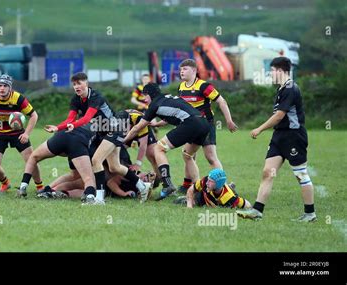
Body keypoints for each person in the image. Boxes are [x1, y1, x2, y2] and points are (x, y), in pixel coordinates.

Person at [44, 72, 150, 205]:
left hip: (115, 129)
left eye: (79, 83)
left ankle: (99, 199)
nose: (77, 86)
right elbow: (70, 118)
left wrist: (72, 125)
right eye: (74, 84)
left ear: (86, 83)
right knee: (115, 167)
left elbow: (87, 118)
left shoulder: (95, 97)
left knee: (96, 160)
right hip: (103, 133)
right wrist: (57, 128)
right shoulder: (76, 99)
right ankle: (142, 186)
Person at [236, 57, 317, 222]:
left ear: (280, 70)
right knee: (267, 173)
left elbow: (279, 116)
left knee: (300, 175)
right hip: (279, 137)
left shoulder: (290, 88)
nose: (270, 74)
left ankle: (310, 214)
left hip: (294, 137)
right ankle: (257, 211)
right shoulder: (281, 88)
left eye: (272, 70)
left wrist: (259, 129)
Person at [123, 83, 210, 201]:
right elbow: (173, 114)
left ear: (150, 94)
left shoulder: (154, 105)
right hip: (203, 124)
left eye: (145, 96)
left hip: (190, 124)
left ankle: (167, 184)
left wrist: (123, 140)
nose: (144, 99)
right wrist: (157, 124)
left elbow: (137, 128)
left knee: (159, 148)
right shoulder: (167, 98)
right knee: (187, 155)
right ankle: (198, 192)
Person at [0, 74, 42, 193]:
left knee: (31, 160)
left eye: (5, 86)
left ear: (10, 88)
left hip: (17, 134)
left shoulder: (18, 98)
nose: (2, 88)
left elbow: (34, 115)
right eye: (0, 85)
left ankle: (40, 187)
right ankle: (5, 183)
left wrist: (26, 134)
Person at [177, 59, 238, 194]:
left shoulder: (204, 86)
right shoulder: (181, 87)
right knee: (188, 154)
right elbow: (180, 108)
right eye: (180, 69)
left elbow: (221, 101)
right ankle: (188, 185)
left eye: (185, 69)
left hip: (206, 125)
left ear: (194, 70)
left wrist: (228, 120)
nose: (181, 71)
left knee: (210, 157)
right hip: (190, 127)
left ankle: (224, 187)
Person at [16, 122, 96, 201]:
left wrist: (58, 127)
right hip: (78, 143)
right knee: (89, 180)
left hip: (62, 135)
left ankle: (32, 187)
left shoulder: (87, 118)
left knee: (34, 157)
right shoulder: (101, 128)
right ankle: (62, 193)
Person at [174, 168, 251, 209]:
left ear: (218, 184)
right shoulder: (205, 180)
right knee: (177, 201)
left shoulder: (229, 197)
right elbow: (191, 189)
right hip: (200, 199)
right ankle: (230, 186)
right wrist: (189, 206)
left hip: (221, 196)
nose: (207, 182)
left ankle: (230, 187)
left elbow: (247, 205)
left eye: (211, 181)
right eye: (209, 180)